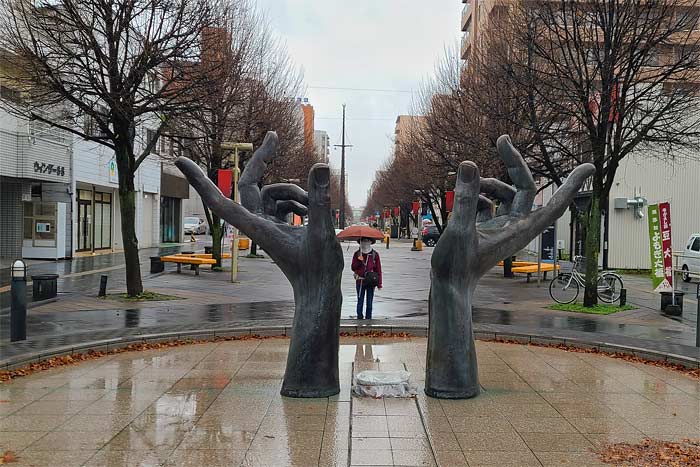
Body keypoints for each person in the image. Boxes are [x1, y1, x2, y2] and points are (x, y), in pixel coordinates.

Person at [351, 237, 382, 320]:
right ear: (360, 242)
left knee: (369, 302)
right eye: (363, 241)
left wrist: (379, 283)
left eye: (367, 240)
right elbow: (353, 267)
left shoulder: (375, 254)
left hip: (371, 282)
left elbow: (378, 270)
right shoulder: (357, 254)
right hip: (360, 281)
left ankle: (369, 318)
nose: (365, 242)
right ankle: (359, 318)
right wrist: (359, 260)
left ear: (371, 242)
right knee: (360, 301)